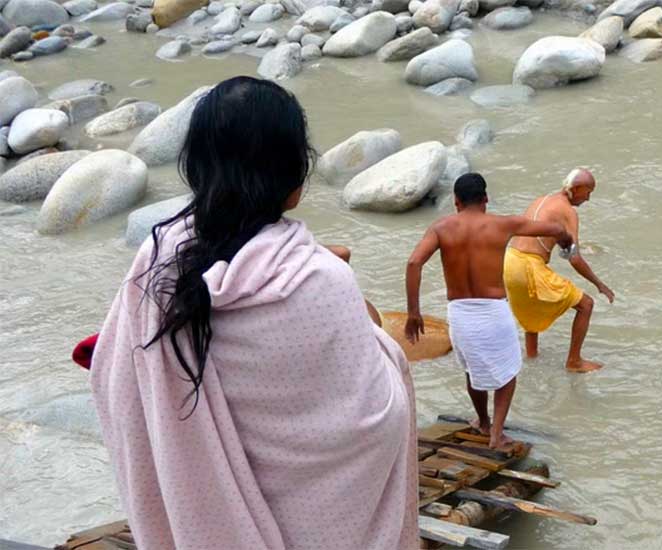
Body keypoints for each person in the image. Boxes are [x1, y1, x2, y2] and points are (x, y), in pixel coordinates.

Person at [89, 77, 418, 550]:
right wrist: (382, 341)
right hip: (319, 530)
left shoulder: (158, 257)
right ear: (294, 181)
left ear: (195, 169)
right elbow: (376, 422)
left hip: (200, 521)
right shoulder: (322, 280)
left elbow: (114, 382)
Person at [405, 173, 573, 449]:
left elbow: (414, 263)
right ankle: (496, 433)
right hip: (493, 312)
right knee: (507, 376)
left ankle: (482, 421)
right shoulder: (503, 224)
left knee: (473, 371)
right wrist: (566, 240)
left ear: (456, 202)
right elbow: (553, 228)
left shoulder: (440, 228)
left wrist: (414, 312)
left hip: (459, 312)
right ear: (485, 199)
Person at [504, 168, 614, 373]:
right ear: (577, 188)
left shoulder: (541, 199)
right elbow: (574, 258)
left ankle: (532, 357)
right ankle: (574, 361)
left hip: (509, 262)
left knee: (531, 307)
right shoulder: (568, 211)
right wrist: (600, 284)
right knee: (586, 305)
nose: (588, 199)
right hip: (528, 266)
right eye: (588, 192)